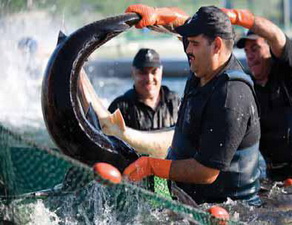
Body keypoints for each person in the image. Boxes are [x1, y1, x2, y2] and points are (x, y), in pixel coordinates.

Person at [86, 5, 261, 205]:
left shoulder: (231, 96)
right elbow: (182, 23)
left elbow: (206, 172)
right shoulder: (204, 63)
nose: (187, 49)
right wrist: (156, 14)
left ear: (217, 46)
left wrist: (151, 166)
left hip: (223, 207)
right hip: (182, 192)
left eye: (194, 43)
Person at [222, 8, 292, 183]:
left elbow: (277, 35)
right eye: (247, 52)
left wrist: (236, 17)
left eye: (255, 49)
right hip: (276, 181)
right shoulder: (250, 91)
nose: (250, 57)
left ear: (271, 49)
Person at [108, 48, 180, 131]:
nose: (149, 79)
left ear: (161, 72)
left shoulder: (176, 103)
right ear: (133, 73)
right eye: (143, 72)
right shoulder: (120, 109)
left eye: (154, 72)